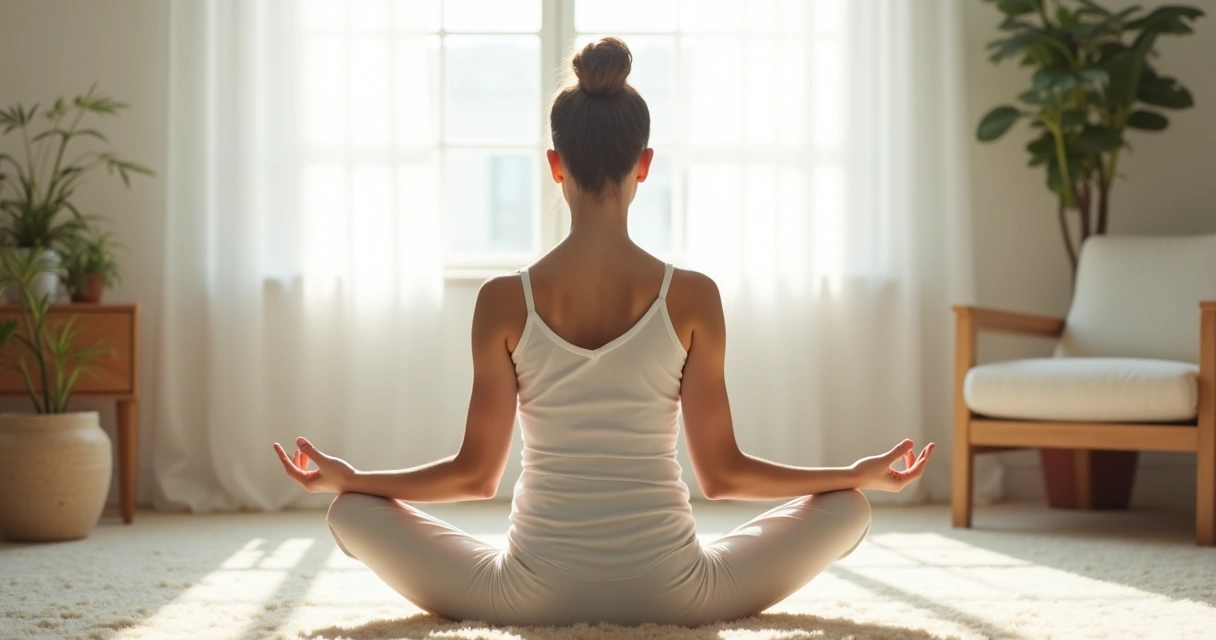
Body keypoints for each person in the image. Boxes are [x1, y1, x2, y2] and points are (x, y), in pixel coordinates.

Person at [272, 36, 934, 627]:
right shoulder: (693, 297)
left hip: (529, 595)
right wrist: (854, 473)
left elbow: (474, 476)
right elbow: (723, 476)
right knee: (850, 507)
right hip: (680, 594)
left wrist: (351, 479)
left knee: (349, 513)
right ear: (644, 165)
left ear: (554, 165)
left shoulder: (504, 301)